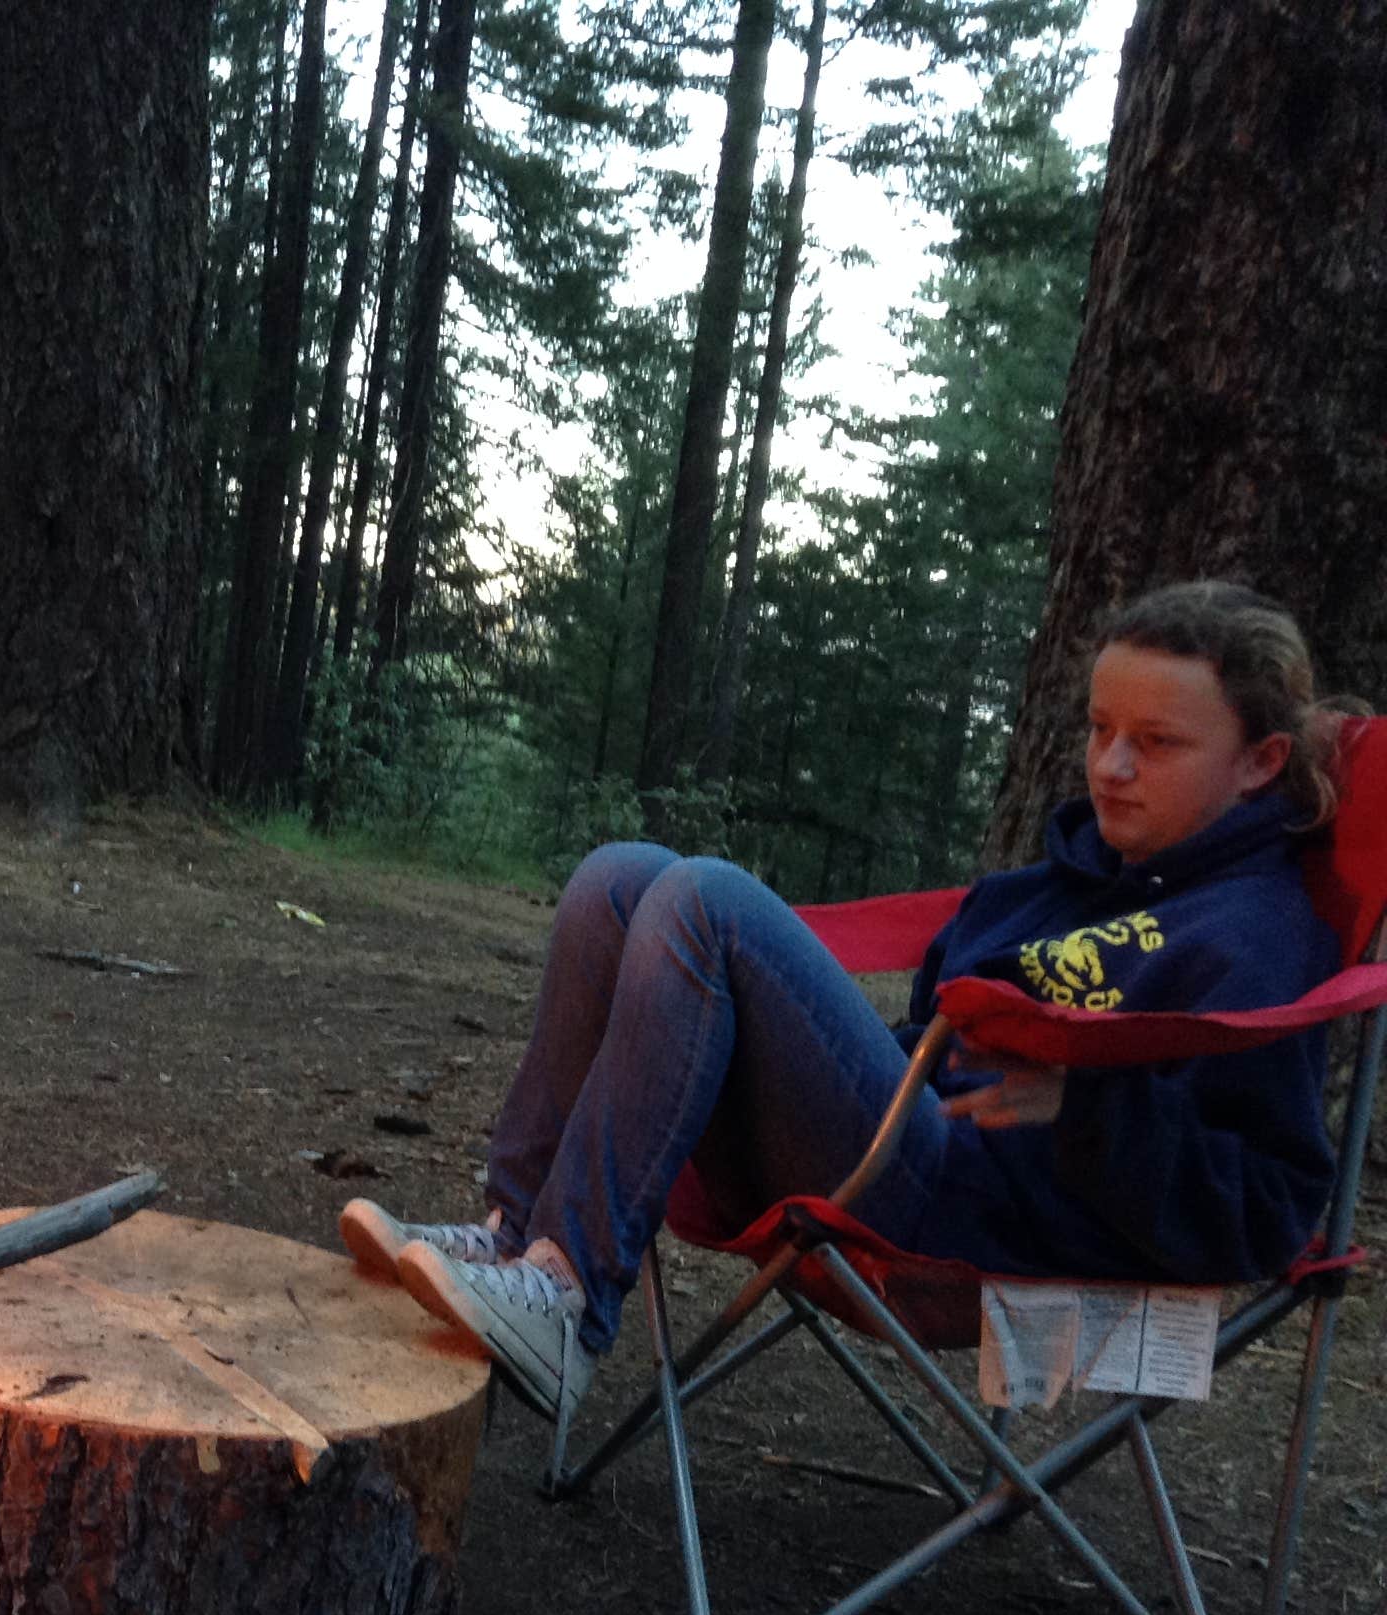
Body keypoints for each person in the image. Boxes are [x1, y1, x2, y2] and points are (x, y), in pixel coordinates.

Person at [341, 580, 1349, 1432]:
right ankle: (519, 1235)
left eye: (1158, 742)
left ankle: (564, 1299)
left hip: (979, 1222)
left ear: (1261, 762)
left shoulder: (1257, 937)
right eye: (1100, 729)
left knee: (705, 899)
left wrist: (1089, 1108)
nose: (1111, 766)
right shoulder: (1063, 879)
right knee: (620, 878)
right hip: (889, 1154)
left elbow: (1262, 1219)